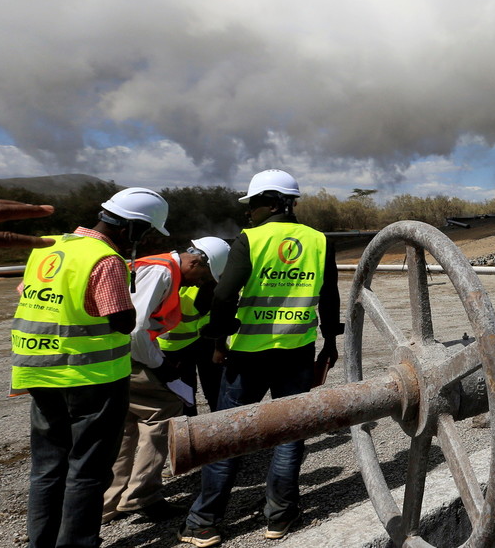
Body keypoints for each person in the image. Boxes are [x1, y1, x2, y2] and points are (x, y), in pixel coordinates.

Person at [178, 170, 341, 547]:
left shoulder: (249, 239)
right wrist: (330, 346)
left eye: (252, 204)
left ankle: (204, 522)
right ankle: (280, 517)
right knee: (290, 433)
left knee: (228, 435)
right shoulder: (319, 240)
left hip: (248, 354)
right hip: (298, 352)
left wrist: (218, 341)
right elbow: (329, 298)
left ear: (272, 202)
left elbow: (223, 296)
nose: (249, 212)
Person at [11, 187, 169, 548]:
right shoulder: (106, 259)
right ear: (131, 227)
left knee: (47, 467)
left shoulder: (49, 246)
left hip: (39, 372)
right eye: (143, 232)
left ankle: (42, 542)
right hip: (92, 379)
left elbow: (25, 292)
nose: (141, 240)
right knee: (87, 469)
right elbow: (122, 321)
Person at [102, 236, 230, 524]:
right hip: (133, 356)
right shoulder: (161, 272)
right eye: (204, 276)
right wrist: (161, 366)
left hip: (118, 357)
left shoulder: (158, 268)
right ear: (196, 261)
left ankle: (108, 501)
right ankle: (140, 496)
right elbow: (136, 331)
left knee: (126, 424)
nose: (200, 283)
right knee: (165, 411)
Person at [158, 239, 231, 417]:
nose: (202, 281)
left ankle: (220, 430)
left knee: (215, 389)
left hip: (205, 342)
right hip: (173, 349)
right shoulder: (171, 279)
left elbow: (221, 315)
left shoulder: (212, 281)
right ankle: (191, 435)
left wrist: (219, 347)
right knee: (184, 395)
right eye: (206, 275)